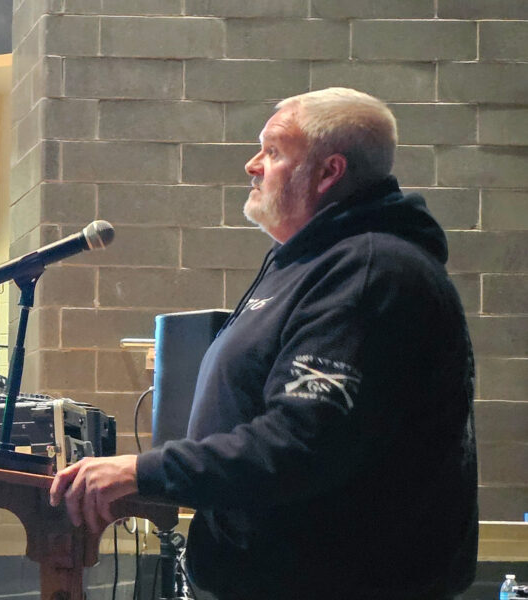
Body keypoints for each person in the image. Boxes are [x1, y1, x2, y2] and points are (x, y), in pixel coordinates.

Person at [49, 88, 478, 600]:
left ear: (328, 172)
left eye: (273, 151)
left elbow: (300, 444)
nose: (252, 164)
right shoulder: (305, 264)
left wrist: (142, 470)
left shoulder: (369, 270)